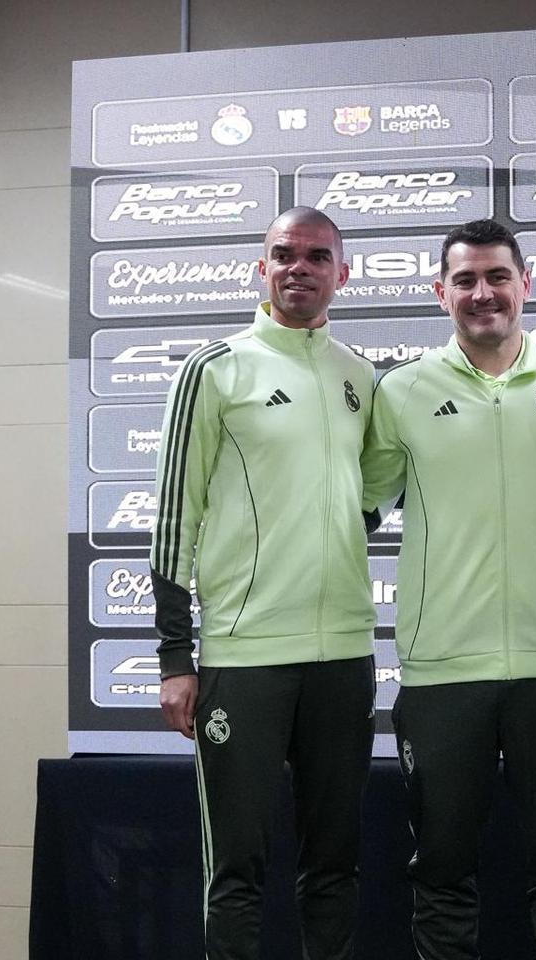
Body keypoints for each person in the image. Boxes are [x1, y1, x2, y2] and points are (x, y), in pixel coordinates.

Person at [361, 218, 536, 960]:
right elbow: (359, 503)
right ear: (441, 293)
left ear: (525, 285)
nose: (483, 293)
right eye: (465, 280)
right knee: (441, 877)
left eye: (497, 276)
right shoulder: (401, 392)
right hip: (443, 674)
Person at [150, 207, 378, 960]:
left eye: (317, 257)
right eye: (284, 254)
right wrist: (176, 659)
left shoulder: (359, 376)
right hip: (243, 659)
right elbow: (172, 522)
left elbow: (368, 496)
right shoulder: (215, 369)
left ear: (342, 275)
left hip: (344, 654)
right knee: (238, 870)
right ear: (262, 267)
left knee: (334, 864)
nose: (299, 268)